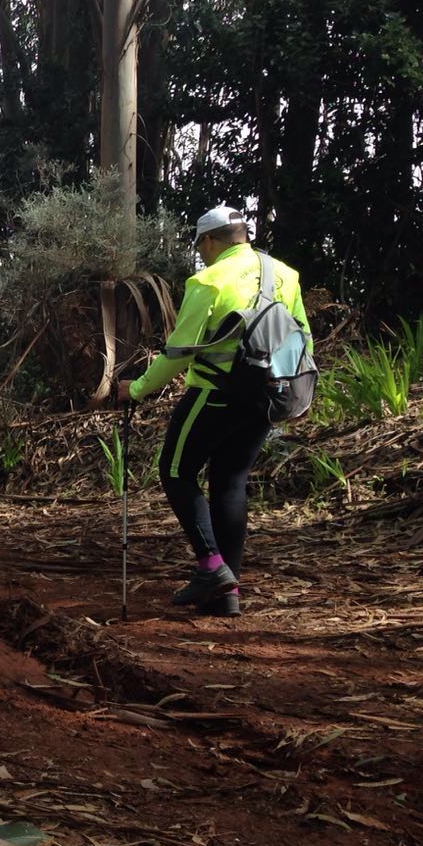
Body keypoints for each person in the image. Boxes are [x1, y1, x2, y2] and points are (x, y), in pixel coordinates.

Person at [118, 205, 313, 618]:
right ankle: (227, 594)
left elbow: (179, 352)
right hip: (267, 396)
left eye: (200, 246)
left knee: (175, 470)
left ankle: (212, 567)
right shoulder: (285, 274)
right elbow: (303, 338)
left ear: (209, 241)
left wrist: (134, 390)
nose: (201, 254)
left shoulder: (208, 279)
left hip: (215, 394)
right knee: (230, 482)